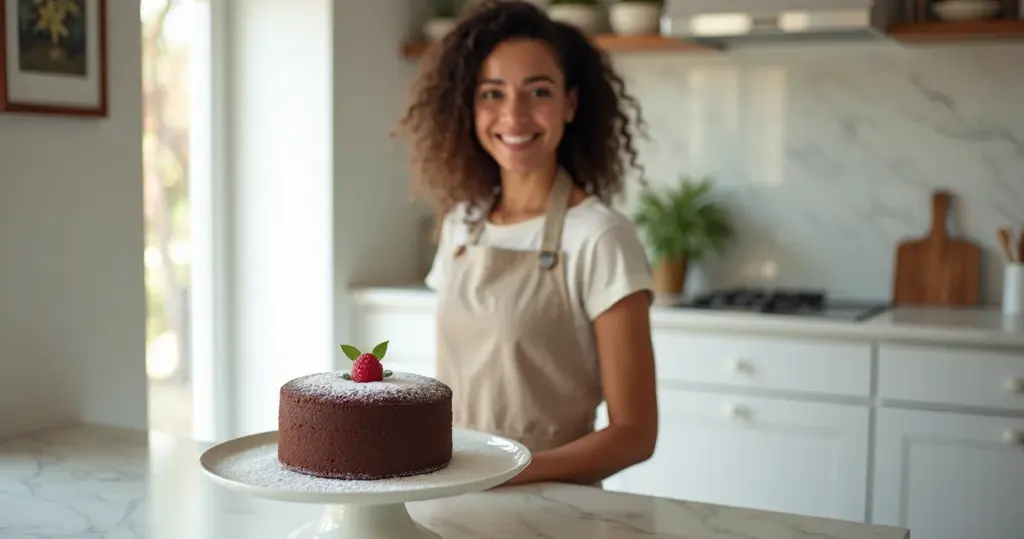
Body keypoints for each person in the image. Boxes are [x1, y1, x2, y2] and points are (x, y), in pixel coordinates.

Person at [394, 0, 658, 487]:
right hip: (452, 493)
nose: (514, 115)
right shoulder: (461, 225)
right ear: (469, 106)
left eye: (538, 91)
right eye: (492, 93)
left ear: (570, 104)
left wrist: (507, 472)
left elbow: (635, 434)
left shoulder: (600, 236)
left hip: (553, 507)